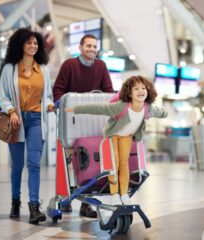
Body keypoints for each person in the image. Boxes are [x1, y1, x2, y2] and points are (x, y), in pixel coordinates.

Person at [64, 76, 167, 205]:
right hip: (113, 135)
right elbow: (98, 109)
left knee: (124, 164)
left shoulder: (147, 108)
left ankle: (124, 194)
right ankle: (114, 194)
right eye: (136, 88)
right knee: (114, 164)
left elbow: (159, 112)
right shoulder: (121, 107)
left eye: (143, 88)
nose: (141, 91)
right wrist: (75, 109)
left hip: (127, 136)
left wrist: (165, 114)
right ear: (129, 93)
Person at [53, 34, 114, 218]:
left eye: (95, 46)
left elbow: (109, 92)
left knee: (91, 162)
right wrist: (59, 104)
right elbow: (58, 91)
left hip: (93, 121)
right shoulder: (69, 65)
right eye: (88, 46)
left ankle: (86, 203)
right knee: (71, 161)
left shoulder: (101, 66)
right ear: (80, 48)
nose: (92, 49)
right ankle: (65, 196)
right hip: (72, 121)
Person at [0, 28, 54, 224]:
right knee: (17, 166)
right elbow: (3, 96)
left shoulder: (44, 70)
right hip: (16, 121)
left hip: (37, 119)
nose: (33, 46)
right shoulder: (9, 69)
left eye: (36, 43)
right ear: (20, 44)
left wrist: (49, 104)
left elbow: (47, 95)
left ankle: (34, 207)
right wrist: (11, 111)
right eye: (29, 42)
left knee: (34, 164)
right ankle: (15, 201)